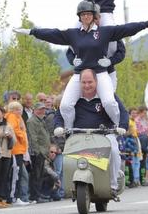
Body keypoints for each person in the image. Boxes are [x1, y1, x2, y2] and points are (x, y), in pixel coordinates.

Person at [14, 1, 148, 130]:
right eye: (83, 15)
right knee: (66, 105)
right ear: (80, 17)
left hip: (100, 73)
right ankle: (71, 128)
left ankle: (117, 126)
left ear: (94, 16)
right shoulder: (73, 34)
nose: (86, 17)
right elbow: (51, 33)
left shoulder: (104, 32)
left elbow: (126, 29)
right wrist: (30, 32)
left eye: (88, 14)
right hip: (79, 74)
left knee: (108, 101)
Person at [54, 69, 128, 199]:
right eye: (83, 82)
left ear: (96, 81)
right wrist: (58, 126)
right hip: (80, 135)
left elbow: (122, 111)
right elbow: (60, 112)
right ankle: (72, 185)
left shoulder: (106, 96)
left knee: (115, 151)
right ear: (79, 83)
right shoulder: (74, 98)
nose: (86, 85)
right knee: (69, 158)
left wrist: (122, 126)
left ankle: (112, 186)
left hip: (104, 134)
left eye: (90, 82)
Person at [27, 102, 51, 204]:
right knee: (35, 175)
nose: (42, 111)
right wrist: (37, 152)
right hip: (38, 152)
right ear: (35, 110)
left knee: (40, 175)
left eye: (43, 109)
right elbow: (33, 137)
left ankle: (38, 194)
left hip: (43, 151)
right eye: (40, 109)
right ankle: (34, 196)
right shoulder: (32, 121)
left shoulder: (41, 120)